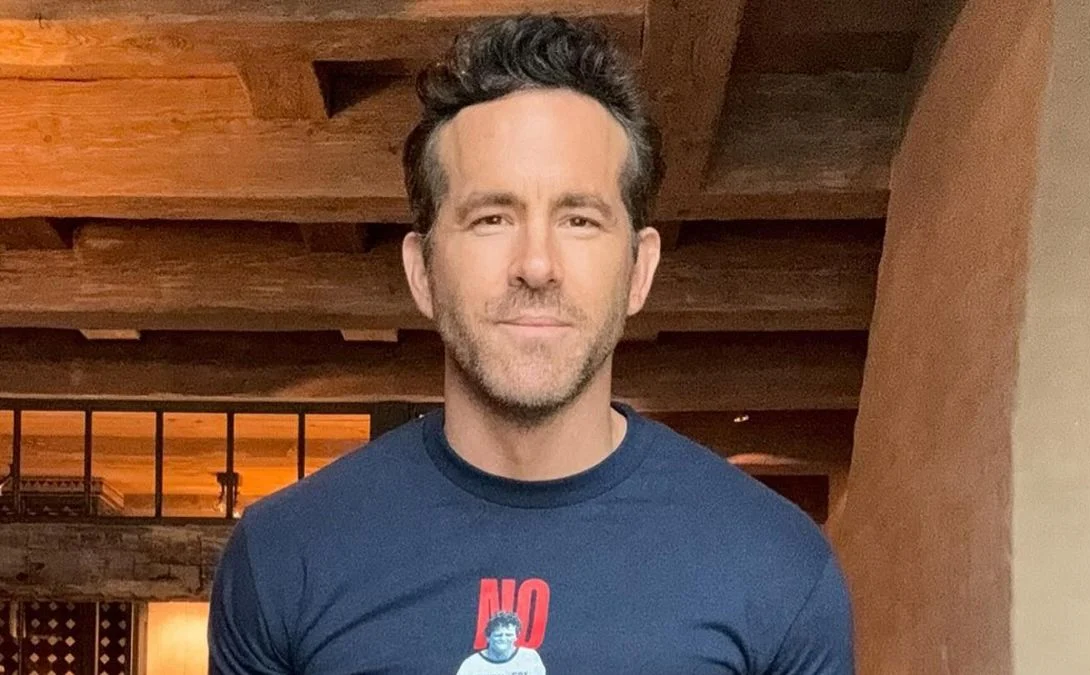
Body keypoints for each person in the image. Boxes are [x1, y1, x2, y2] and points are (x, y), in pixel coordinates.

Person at [209, 14, 852, 674]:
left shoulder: (777, 566)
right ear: (423, 272)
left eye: (580, 219)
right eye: (492, 218)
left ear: (639, 269)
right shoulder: (284, 557)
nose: (537, 264)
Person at [455, 612, 546, 675]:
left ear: (516, 637)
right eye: (498, 635)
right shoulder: (472, 663)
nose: (503, 639)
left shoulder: (530, 657)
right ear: (488, 637)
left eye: (509, 635)